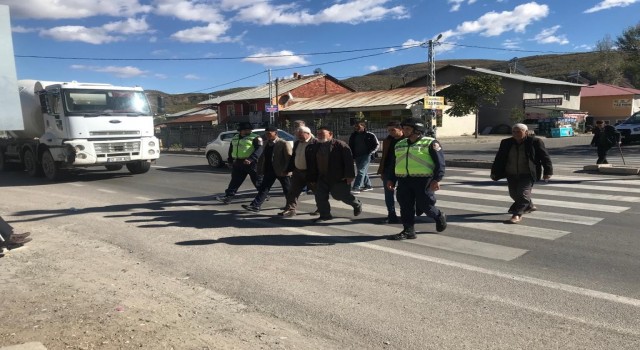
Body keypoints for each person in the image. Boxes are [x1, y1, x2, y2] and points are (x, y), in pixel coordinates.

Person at [387, 117, 447, 240]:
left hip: (424, 181)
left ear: (417, 130)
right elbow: (394, 164)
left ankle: (438, 216)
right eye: (403, 128)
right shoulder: (400, 144)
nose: (404, 131)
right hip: (404, 180)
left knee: (426, 206)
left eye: (407, 129)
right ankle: (408, 230)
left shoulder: (430, 143)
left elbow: (440, 163)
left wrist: (437, 179)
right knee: (405, 206)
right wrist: (391, 179)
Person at [491, 123, 553, 224]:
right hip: (511, 173)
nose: (515, 134)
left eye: (518, 131)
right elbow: (499, 158)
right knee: (513, 194)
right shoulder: (506, 142)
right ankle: (530, 205)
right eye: (513, 132)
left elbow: (545, 157)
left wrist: (548, 171)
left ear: (526, 132)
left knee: (523, 194)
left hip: (528, 173)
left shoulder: (535, 142)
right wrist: (494, 172)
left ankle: (517, 215)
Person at [307, 126, 363, 223]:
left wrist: (349, 176)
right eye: (318, 133)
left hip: (337, 177)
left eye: (322, 133)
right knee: (320, 196)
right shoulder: (316, 146)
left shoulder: (340, 145)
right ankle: (325, 215)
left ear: (330, 134)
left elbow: (348, 161)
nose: (319, 135)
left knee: (341, 196)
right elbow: (312, 162)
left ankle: (356, 204)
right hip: (322, 176)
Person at [241, 126, 292, 212]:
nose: (267, 135)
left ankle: (290, 206)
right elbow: (261, 158)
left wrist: (287, 170)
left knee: (287, 189)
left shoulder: (283, 143)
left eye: (269, 133)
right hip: (269, 170)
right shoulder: (265, 143)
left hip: (282, 170)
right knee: (264, 188)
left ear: (275, 133)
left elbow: (289, 158)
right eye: (266, 133)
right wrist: (260, 170)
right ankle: (255, 206)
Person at [216, 122, 263, 204]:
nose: (248, 131)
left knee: (257, 180)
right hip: (238, 162)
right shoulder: (235, 138)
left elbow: (259, 150)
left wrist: (251, 159)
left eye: (249, 130)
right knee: (235, 180)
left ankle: (263, 195)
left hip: (252, 163)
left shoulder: (256, 138)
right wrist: (230, 160)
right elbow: (231, 149)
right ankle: (228, 197)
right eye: (246, 130)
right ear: (241, 130)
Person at [279, 126, 318, 217]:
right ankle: (290, 210)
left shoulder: (316, 143)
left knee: (317, 192)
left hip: (310, 172)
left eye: (301, 135)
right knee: (292, 191)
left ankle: (321, 208)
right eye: (297, 135)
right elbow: (293, 157)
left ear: (308, 134)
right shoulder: (297, 143)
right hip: (297, 172)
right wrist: (287, 169)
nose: (299, 137)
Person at [377, 121, 404, 224]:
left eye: (393, 130)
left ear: (400, 129)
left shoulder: (407, 140)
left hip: (403, 170)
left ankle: (406, 214)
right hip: (388, 170)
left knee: (403, 194)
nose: (390, 132)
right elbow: (384, 157)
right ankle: (391, 215)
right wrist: (382, 171)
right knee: (388, 194)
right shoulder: (388, 140)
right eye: (388, 130)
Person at [348, 121, 379, 194]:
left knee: (361, 171)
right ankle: (368, 186)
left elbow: (377, 144)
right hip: (357, 156)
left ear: (363, 127)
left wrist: (370, 153)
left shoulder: (370, 135)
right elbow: (350, 145)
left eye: (358, 126)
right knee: (362, 171)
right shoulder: (353, 135)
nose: (356, 128)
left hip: (366, 155)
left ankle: (356, 187)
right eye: (355, 126)